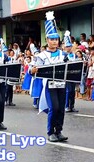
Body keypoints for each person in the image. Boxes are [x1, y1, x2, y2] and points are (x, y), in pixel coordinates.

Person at [30, 11, 68, 142]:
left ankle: (59, 130)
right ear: (47, 40)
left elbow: (69, 67)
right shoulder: (41, 56)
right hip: (49, 85)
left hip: (62, 84)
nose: (55, 41)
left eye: (56, 39)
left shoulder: (63, 54)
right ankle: (50, 131)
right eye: (52, 39)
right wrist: (33, 70)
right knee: (54, 107)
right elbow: (31, 69)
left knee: (61, 108)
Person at [63, 31, 79, 112]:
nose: (69, 48)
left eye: (70, 46)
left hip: (73, 75)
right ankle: (66, 106)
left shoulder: (74, 55)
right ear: (65, 47)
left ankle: (72, 106)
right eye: (67, 46)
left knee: (73, 91)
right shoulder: (63, 55)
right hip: (67, 75)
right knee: (68, 91)